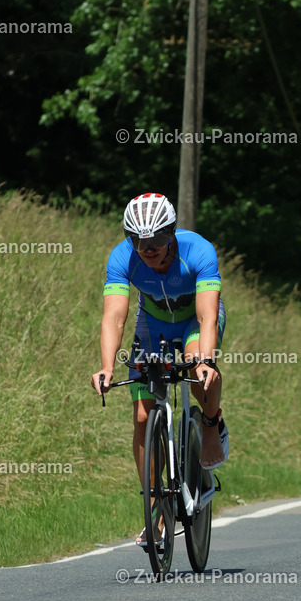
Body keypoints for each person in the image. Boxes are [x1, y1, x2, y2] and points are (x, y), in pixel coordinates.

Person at [90, 192, 229, 545]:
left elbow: (207, 314)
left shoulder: (198, 251)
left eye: (156, 240)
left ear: (171, 233)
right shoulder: (122, 258)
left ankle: (211, 425)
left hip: (193, 322)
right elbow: (115, 316)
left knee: (199, 368)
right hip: (152, 323)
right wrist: (107, 366)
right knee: (141, 416)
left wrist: (207, 360)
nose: (148, 248)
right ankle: (155, 512)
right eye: (138, 241)